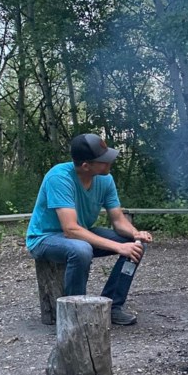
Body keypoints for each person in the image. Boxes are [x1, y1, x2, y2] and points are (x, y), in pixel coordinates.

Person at [26, 133, 153, 326]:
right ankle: (76, 314)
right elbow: (70, 230)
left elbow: (118, 220)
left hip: (80, 232)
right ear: (86, 165)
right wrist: (118, 247)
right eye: (104, 160)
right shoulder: (59, 178)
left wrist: (135, 234)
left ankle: (112, 306)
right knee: (81, 250)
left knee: (135, 247)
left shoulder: (105, 179)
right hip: (45, 238)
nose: (110, 162)